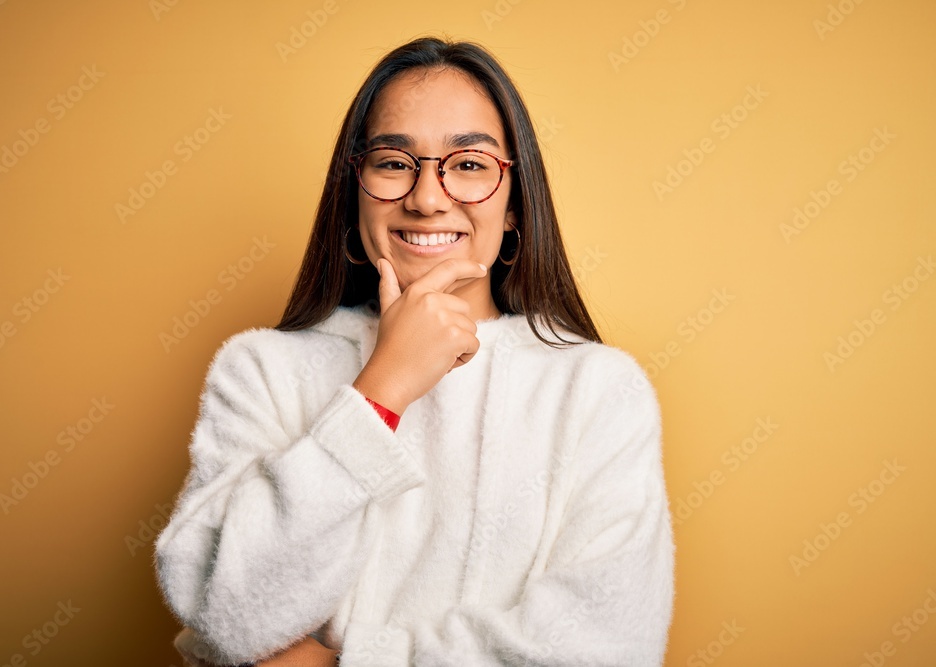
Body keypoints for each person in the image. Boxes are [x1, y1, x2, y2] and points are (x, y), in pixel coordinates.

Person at [155, 35, 675, 667]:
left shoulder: (598, 390)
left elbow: (606, 647)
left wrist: (340, 662)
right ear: (355, 192)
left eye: (470, 165)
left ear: (515, 207)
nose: (428, 198)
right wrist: (382, 390)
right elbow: (222, 609)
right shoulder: (262, 370)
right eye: (394, 162)